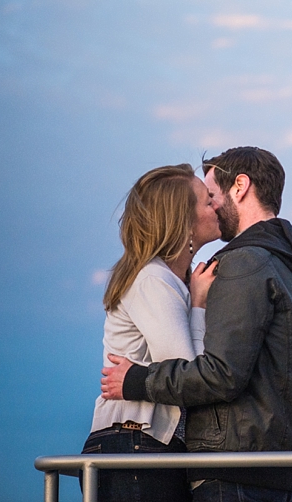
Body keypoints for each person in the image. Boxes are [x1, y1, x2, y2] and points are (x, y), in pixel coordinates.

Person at [101, 147, 292, 502]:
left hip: (233, 460)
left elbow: (214, 373)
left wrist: (135, 379)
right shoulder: (291, 270)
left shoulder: (244, 263)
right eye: (205, 200)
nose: (213, 207)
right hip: (273, 461)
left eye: (213, 196)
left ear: (240, 187)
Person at [83, 164, 222, 502]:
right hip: (135, 444)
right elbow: (186, 377)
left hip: (142, 445)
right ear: (182, 220)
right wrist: (200, 306)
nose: (216, 206)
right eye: (207, 202)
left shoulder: (170, 281)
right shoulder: (153, 280)